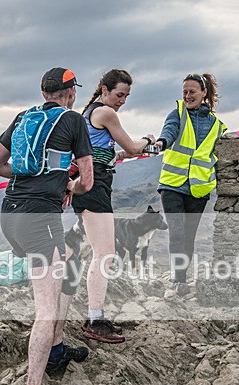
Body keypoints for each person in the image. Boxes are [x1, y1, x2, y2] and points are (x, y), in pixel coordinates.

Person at [0, 67, 94, 385]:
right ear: (69, 93)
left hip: (10, 214)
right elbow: (88, 182)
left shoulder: (23, 117)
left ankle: (58, 348)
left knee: (70, 268)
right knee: (45, 311)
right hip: (40, 219)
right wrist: (66, 184)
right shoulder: (73, 121)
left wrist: (39, 179)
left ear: (43, 90)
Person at [74, 68, 156, 343]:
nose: (122, 100)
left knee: (102, 253)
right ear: (105, 90)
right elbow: (133, 148)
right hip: (95, 187)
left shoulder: (91, 113)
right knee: (104, 253)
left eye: (127, 96)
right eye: (120, 94)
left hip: (93, 185)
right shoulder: (106, 113)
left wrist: (121, 151)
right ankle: (94, 319)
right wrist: (150, 140)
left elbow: (100, 150)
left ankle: (96, 315)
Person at [154, 73, 226, 296]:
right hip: (172, 184)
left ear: (204, 93)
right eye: (184, 91)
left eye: (192, 92)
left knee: (189, 235)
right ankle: (179, 279)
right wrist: (162, 142)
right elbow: (170, 130)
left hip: (198, 188)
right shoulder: (177, 113)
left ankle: (182, 276)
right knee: (176, 232)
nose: (187, 96)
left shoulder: (216, 125)